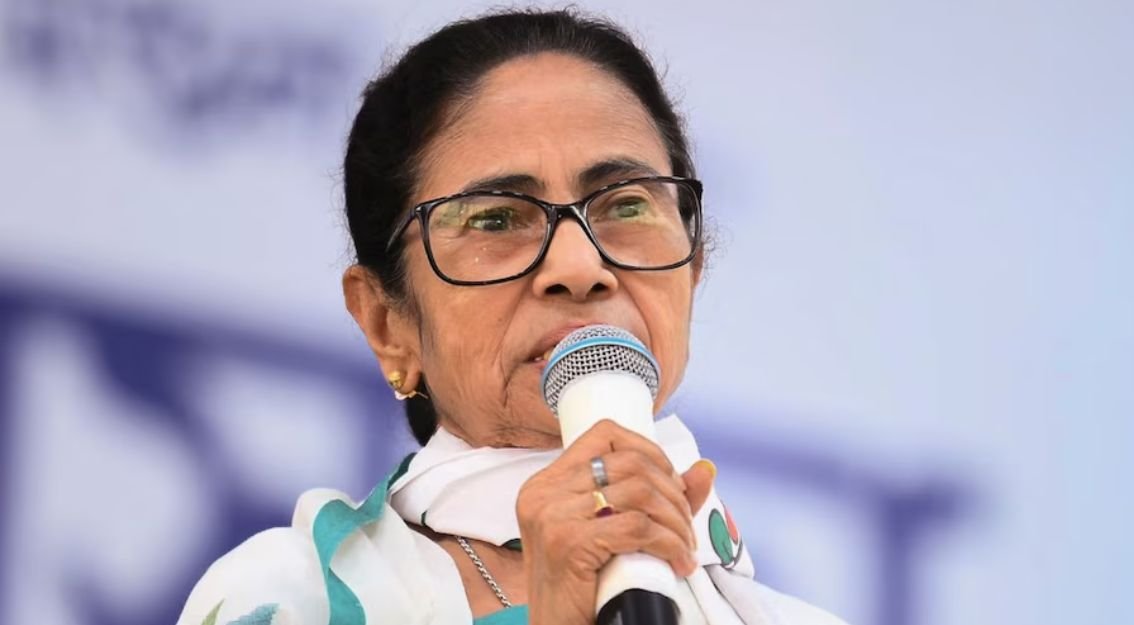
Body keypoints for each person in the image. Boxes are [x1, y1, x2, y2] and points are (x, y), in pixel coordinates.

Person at [176, 9, 846, 625]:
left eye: (627, 205)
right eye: (496, 219)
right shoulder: (292, 595)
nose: (579, 265)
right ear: (386, 323)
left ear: (693, 267)